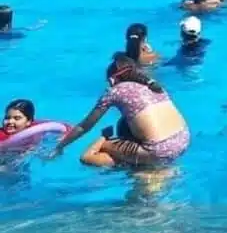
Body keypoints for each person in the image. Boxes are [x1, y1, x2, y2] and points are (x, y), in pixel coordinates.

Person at [52, 53, 190, 168]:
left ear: (113, 79)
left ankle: (126, 163)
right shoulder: (154, 86)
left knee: (101, 147)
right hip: (183, 140)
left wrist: (60, 146)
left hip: (160, 150)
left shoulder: (116, 91)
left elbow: (84, 126)